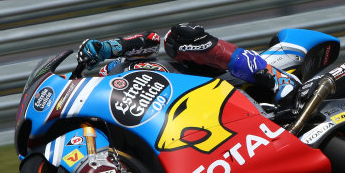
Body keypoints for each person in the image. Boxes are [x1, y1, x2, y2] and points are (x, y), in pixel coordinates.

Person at [77, 23, 301, 107]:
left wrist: (108, 48)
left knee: (178, 37)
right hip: (186, 118)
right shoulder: (107, 108)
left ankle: (277, 78)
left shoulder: (116, 69)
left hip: (204, 79)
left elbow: (151, 40)